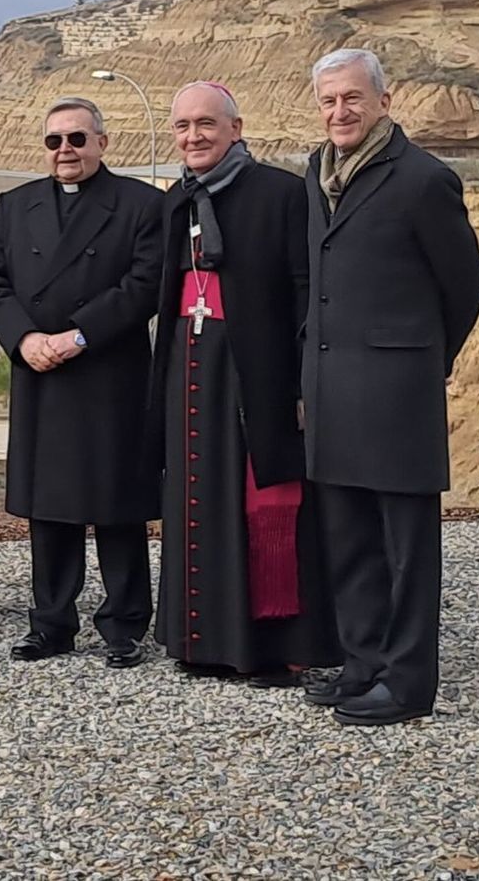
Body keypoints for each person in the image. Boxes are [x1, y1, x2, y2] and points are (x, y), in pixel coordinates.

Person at [301, 48, 479, 726]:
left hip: (396, 393)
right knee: (348, 540)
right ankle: (363, 664)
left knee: (406, 549)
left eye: (352, 98)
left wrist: (423, 359)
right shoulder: (315, 174)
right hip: (331, 391)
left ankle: (407, 684)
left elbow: (465, 285)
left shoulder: (423, 180)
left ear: (384, 100)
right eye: (328, 101)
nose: (340, 112)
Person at [149, 82, 339, 686]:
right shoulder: (176, 201)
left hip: (258, 372)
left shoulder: (281, 193)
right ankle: (201, 641)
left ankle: (273, 647)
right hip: (190, 367)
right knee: (197, 500)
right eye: (182, 127)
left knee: (265, 503)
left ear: (236, 127)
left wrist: (306, 378)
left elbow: (307, 289)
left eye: (207, 124)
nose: (194, 137)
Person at [0, 97, 162, 668]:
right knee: (49, 505)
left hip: (110, 372)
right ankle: (51, 623)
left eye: (77, 139)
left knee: (116, 505)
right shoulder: (13, 206)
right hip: (40, 371)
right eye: (55, 141)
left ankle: (125, 625)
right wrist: (26, 340)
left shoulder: (142, 204)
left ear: (102, 143)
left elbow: (144, 283)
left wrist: (78, 335)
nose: (66, 151)